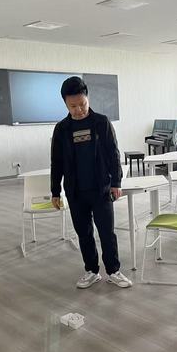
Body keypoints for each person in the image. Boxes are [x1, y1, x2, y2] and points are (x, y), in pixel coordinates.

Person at [51, 76, 131, 289]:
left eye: (82, 104)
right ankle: (91, 271)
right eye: (73, 106)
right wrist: (55, 191)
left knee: (107, 233)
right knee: (84, 233)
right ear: (65, 103)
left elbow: (113, 154)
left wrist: (116, 182)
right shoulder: (62, 129)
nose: (79, 109)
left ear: (88, 98)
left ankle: (113, 271)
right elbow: (56, 162)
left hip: (101, 189)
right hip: (75, 191)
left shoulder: (101, 123)